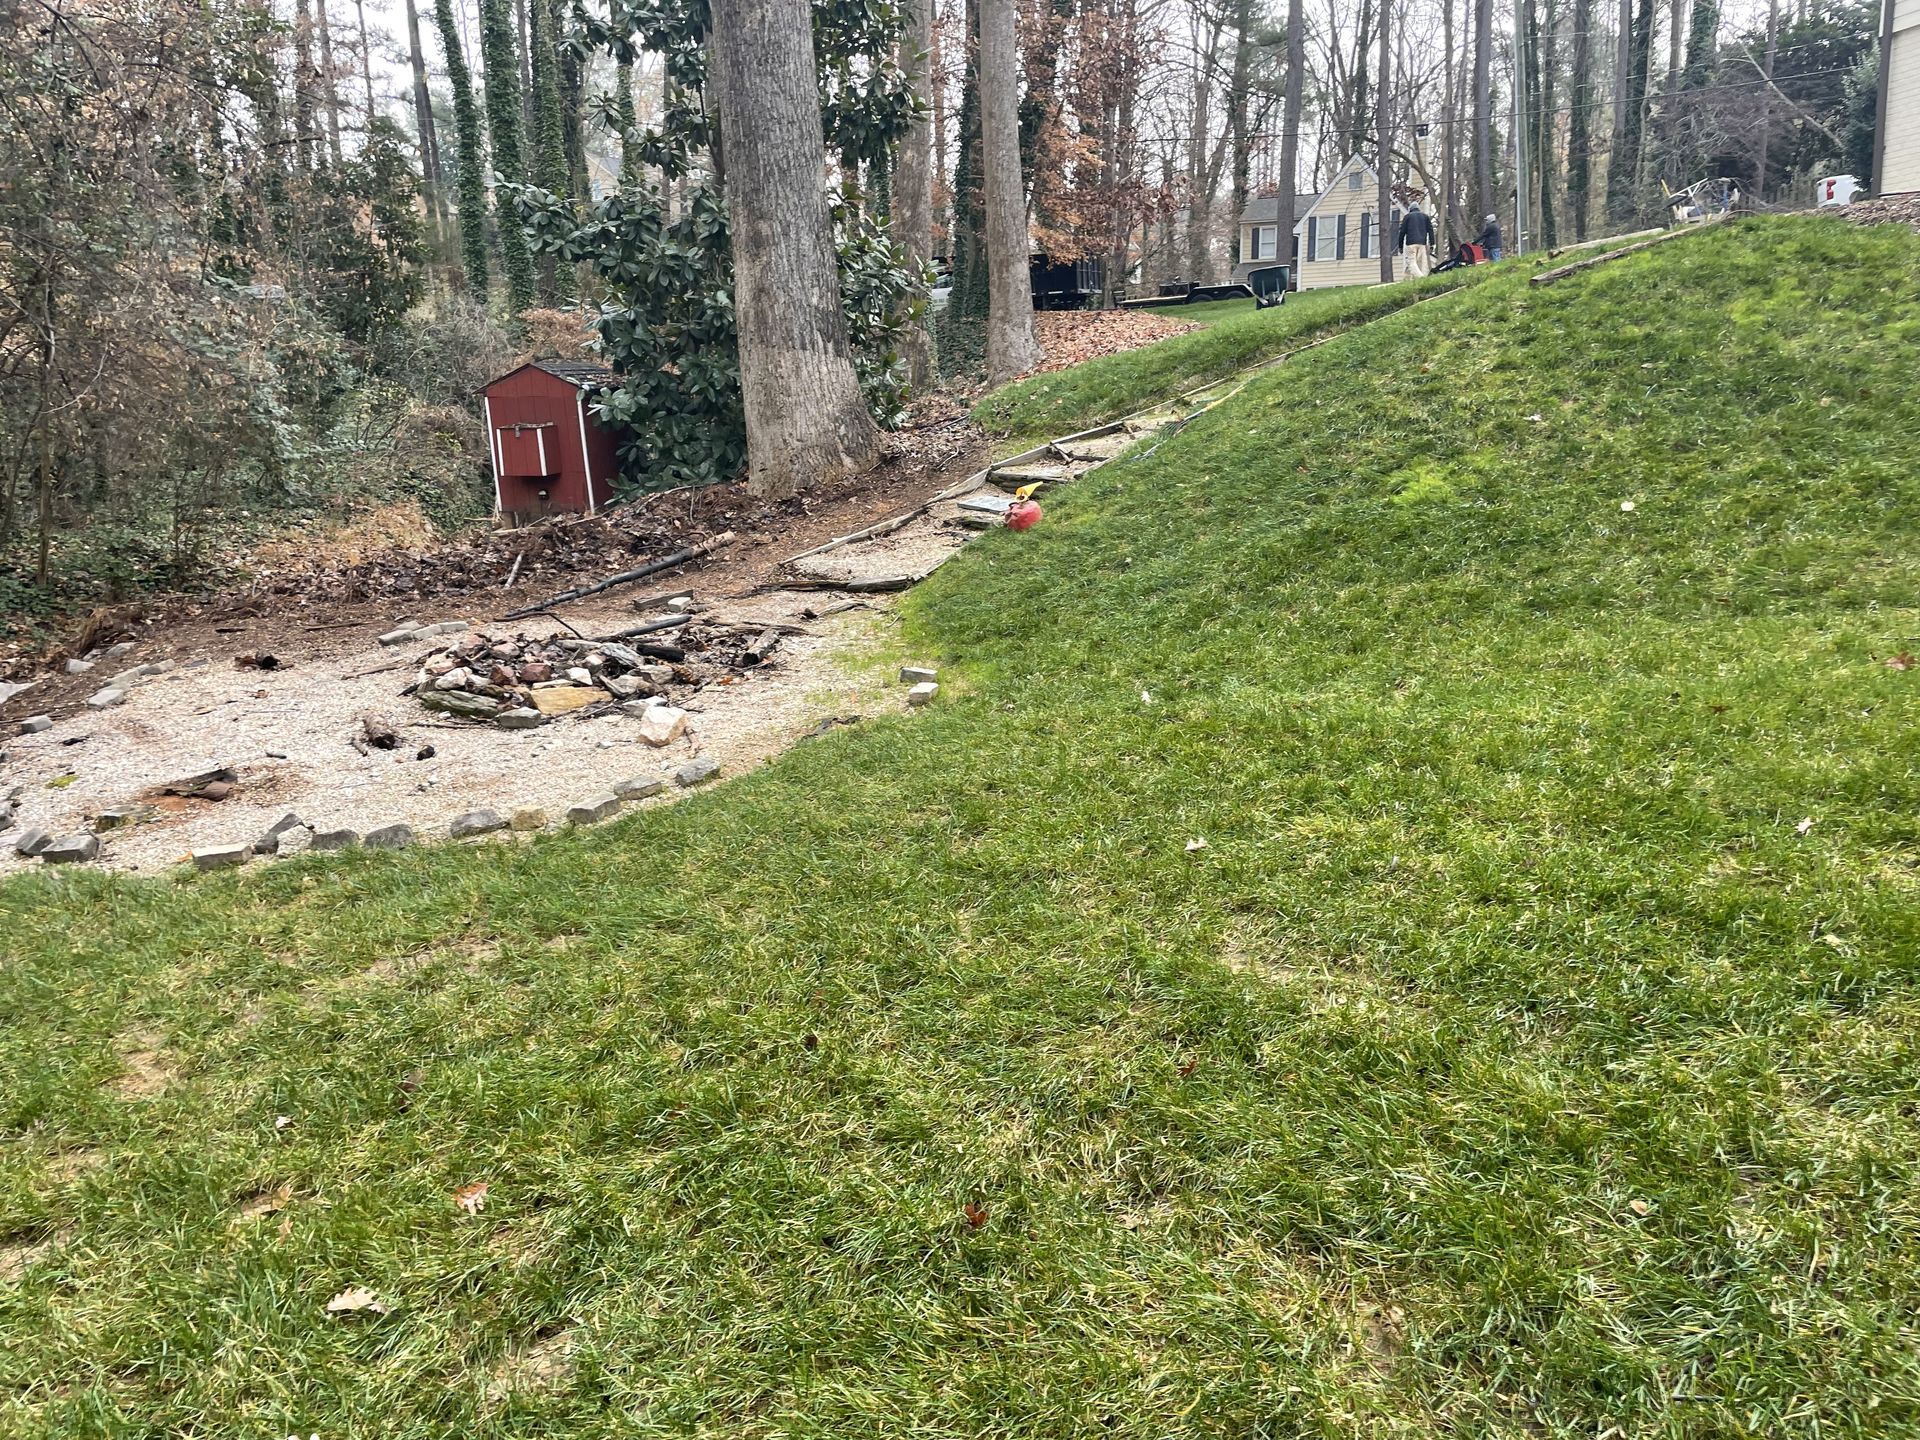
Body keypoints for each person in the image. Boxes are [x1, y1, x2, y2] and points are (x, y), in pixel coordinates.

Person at [1398, 203, 1436, 278]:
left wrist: (1400, 246)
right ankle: (1406, 280)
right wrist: (1432, 244)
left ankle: (1422, 278)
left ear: (1410, 209)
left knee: (1411, 262)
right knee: (1418, 263)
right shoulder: (1425, 217)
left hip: (1411, 243)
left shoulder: (1407, 217)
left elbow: (1402, 232)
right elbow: (1430, 230)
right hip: (1422, 243)